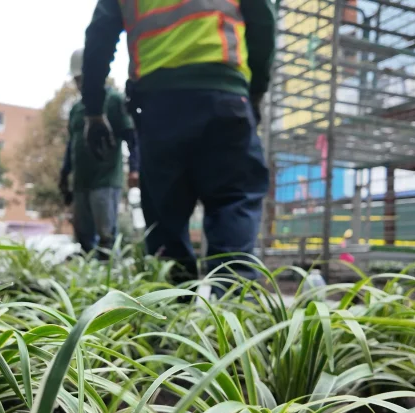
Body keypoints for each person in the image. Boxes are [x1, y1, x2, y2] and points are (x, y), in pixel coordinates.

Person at [80, 0, 276, 291]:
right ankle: (235, 303)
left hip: (159, 107)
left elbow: (100, 35)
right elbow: (262, 21)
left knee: (164, 218)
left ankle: (171, 307)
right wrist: (255, 91)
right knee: (233, 202)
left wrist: (94, 110)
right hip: (225, 96)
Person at [58, 48, 139, 260]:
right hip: (81, 182)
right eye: (76, 80)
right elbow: (71, 144)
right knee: (83, 237)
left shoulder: (114, 100)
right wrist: (64, 174)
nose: (79, 84)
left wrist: (135, 168)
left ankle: (110, 273)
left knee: (106, 236)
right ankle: (87, 274)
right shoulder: (76, 109)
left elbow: (131, 136)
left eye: (82, 79)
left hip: (106, 179)